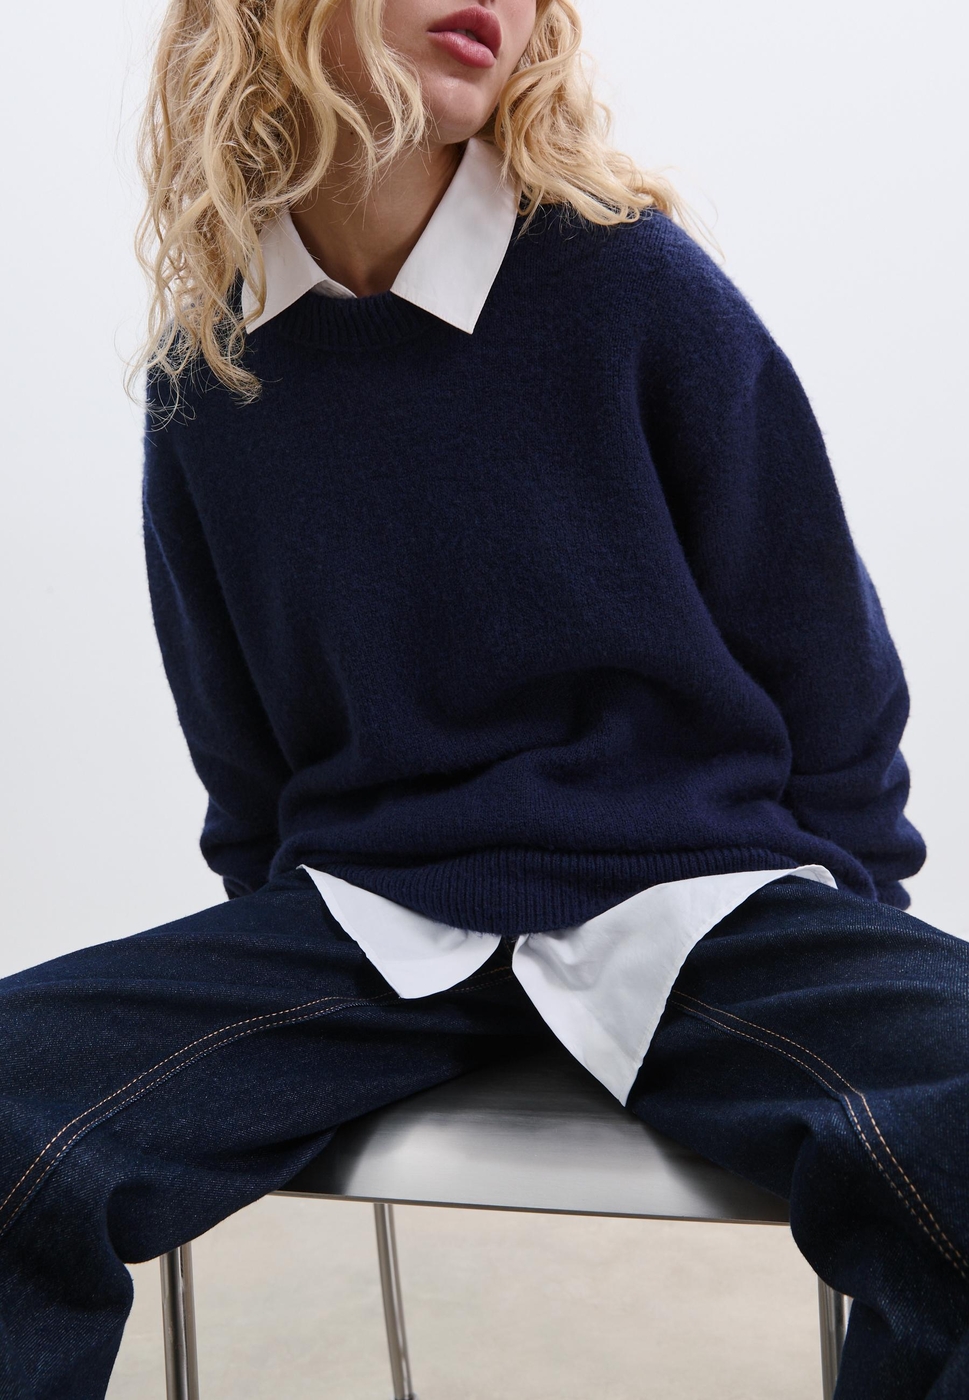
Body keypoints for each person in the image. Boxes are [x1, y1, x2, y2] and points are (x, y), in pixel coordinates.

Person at [0, 0, 965, 1395]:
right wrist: (282, 1011)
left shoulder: (633, 285)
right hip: (366, 921)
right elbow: (246, 762)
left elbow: (828, 669)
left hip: (696, 903)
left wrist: (857, 977)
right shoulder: (209, 382)